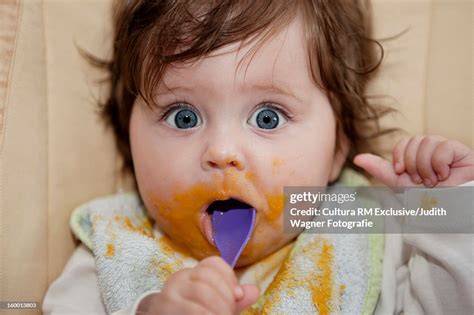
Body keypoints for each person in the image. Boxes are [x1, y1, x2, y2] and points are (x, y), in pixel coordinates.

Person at [42, 1, 474, 314]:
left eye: (267, 118)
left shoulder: (359, 230)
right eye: (183, 115)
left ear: (337, 148)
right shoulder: (119, 251)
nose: (222, 152)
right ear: (129, 137)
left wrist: (447, 216)